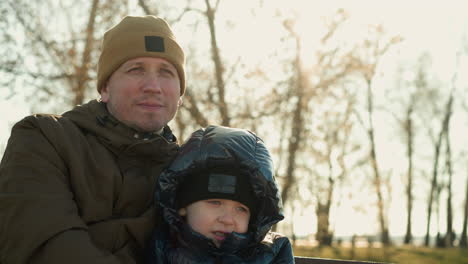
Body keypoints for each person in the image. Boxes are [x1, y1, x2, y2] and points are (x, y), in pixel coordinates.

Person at [0, 15, 185, 264]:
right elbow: (44, 246)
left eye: (166, 72)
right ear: (105, 88)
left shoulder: (188, 170)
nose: (153, 85)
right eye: (136, 69)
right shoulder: (45, 138)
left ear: (180, 95)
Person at [146, 125, 294, 264]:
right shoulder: (161, 248)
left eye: (241, 209)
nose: (227, 219)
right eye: (215, 202)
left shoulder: (272, 253)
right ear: (182, 205)